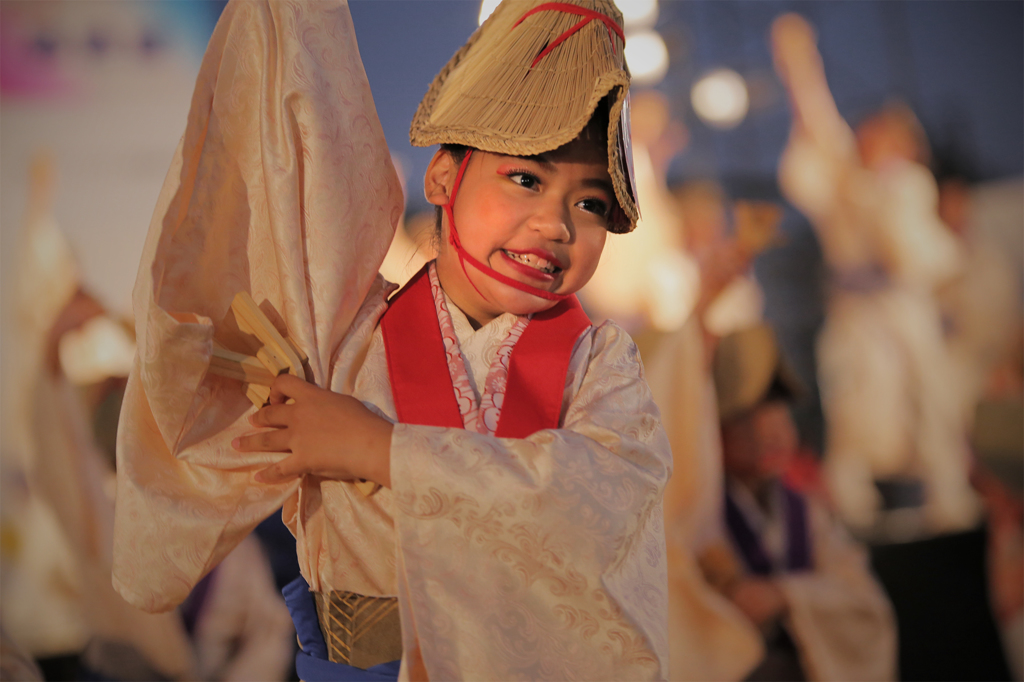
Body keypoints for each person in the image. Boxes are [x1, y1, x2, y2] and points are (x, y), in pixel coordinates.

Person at [112, 1, 671, 680]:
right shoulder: (340, 331)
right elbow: (295, 114)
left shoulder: (600, 362)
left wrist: (380, 450)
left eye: (590, 204)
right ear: (443, 177)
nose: (556, 223)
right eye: (525, 179)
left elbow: (598, 503)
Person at [772, 13, 978, 537]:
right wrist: (800, 62)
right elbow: (817, 122)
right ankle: (851, 499)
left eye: (889, 136)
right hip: (857, 309)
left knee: (930, 392)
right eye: (871, 135)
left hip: (905, 304)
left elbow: (927, 256)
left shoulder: (910, 184)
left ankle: (946, 489)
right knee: (853, 395)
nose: (877, 143)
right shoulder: (848, 183)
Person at [708, 325, 897, 682]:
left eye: (778, 411)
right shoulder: (699, 514)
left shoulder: (805, 509)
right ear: (714, 429)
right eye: (747, 418)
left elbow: (863, 600)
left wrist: (784, 595)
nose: (771, 431)